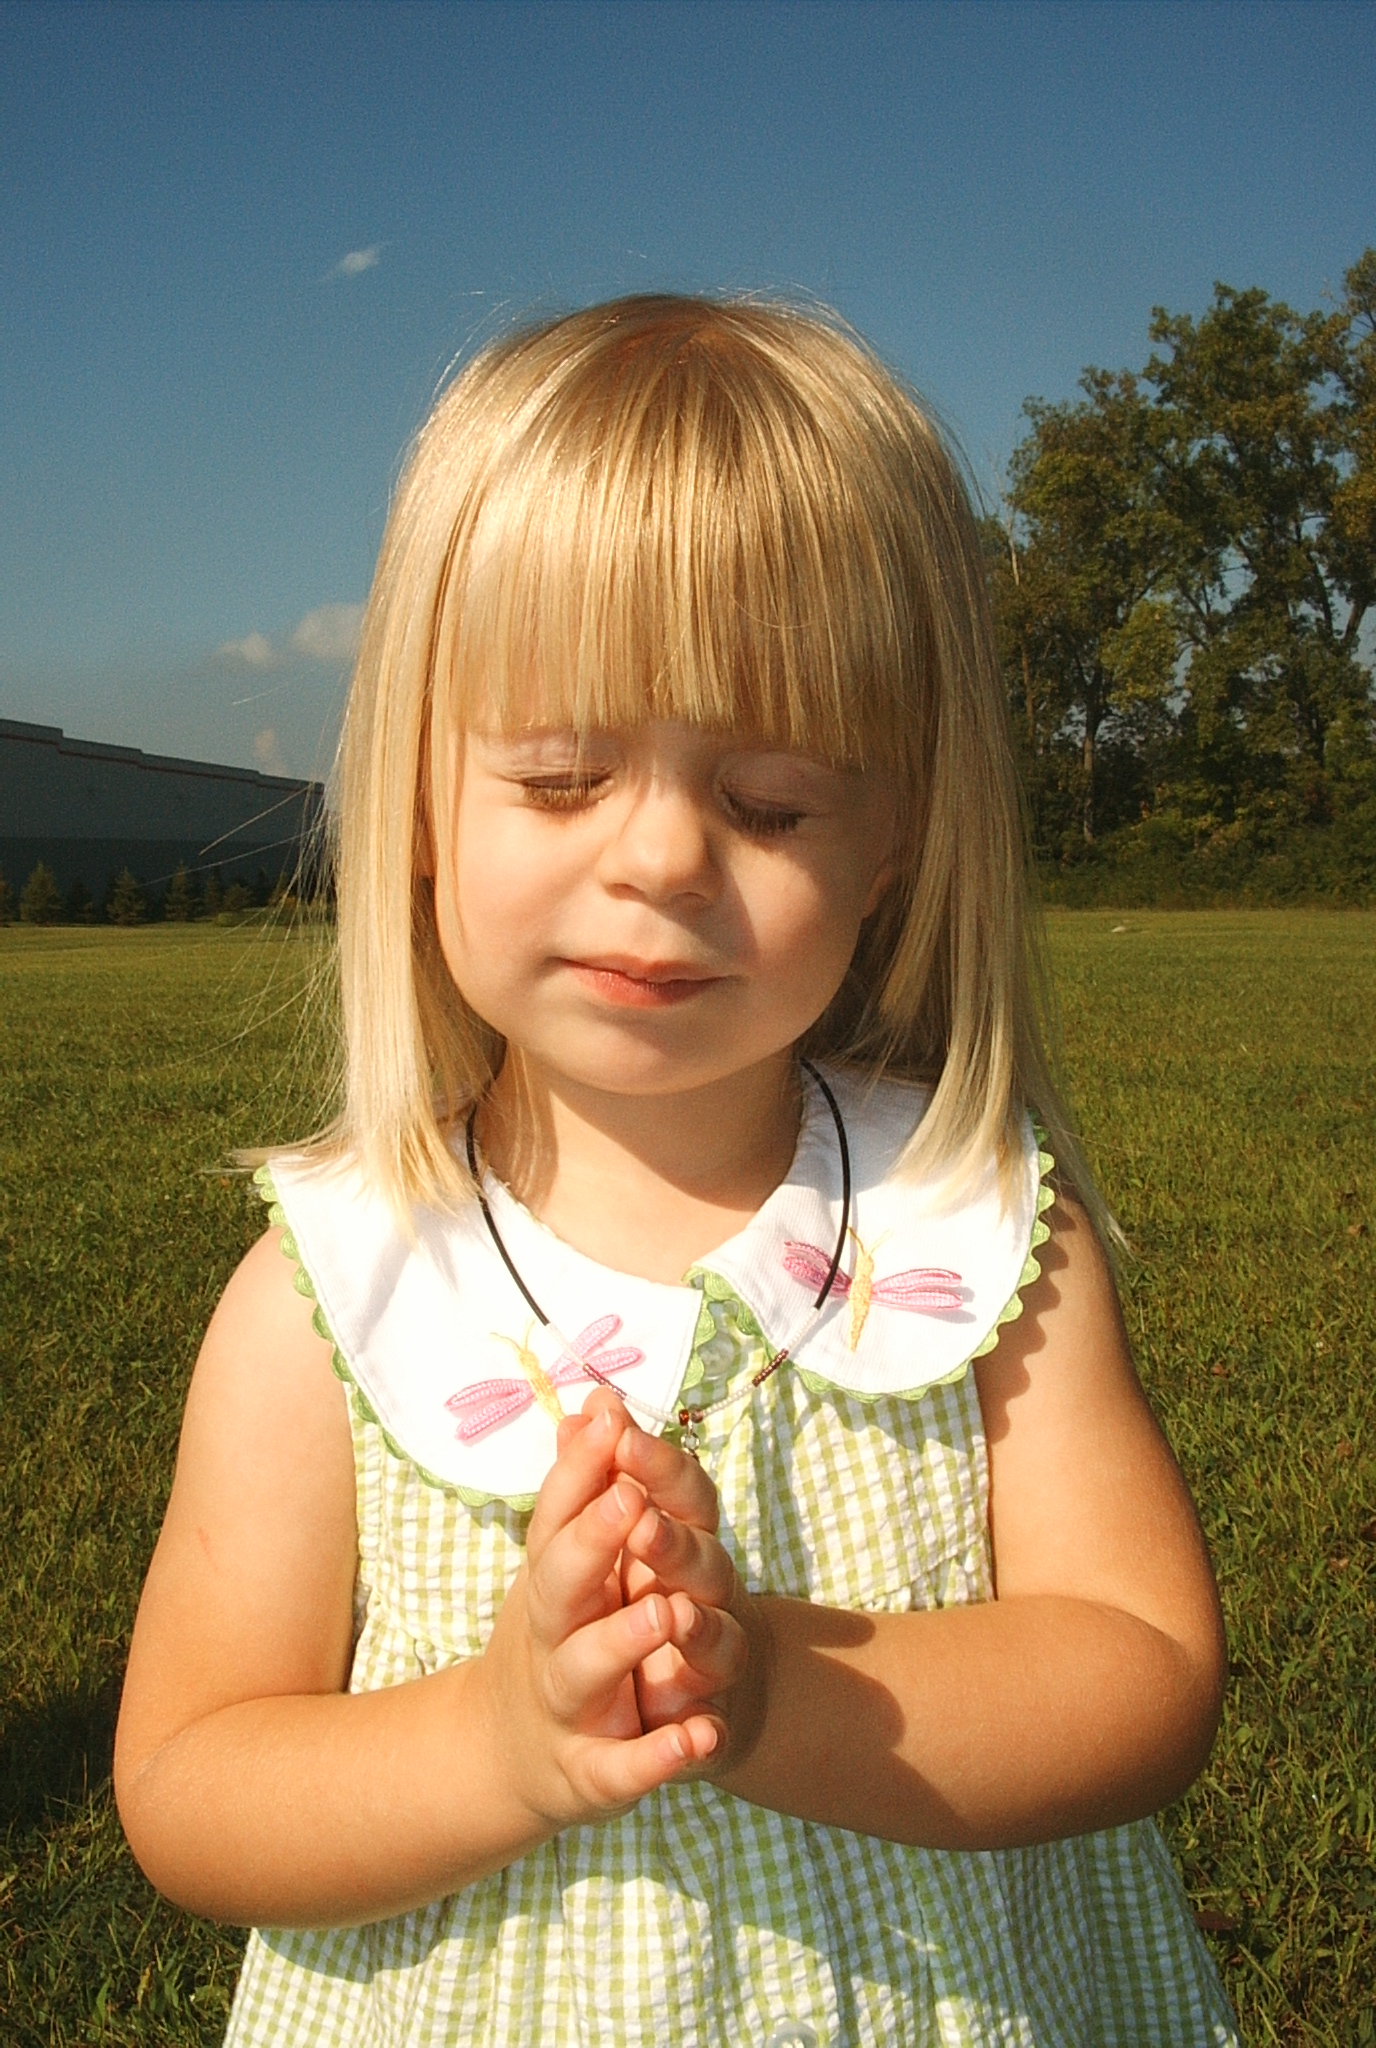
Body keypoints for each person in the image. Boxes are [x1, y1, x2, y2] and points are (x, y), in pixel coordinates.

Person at [114, 295, 1239, 2047]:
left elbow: (1148, 1675)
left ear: (895, 844)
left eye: (775, 802)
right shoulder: (333, 1297)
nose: (659, 856)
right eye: (561, 778)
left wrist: (776, 1687)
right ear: (415, 804)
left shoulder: (984, 1234)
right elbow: (190, 1779)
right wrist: (498, 1740)